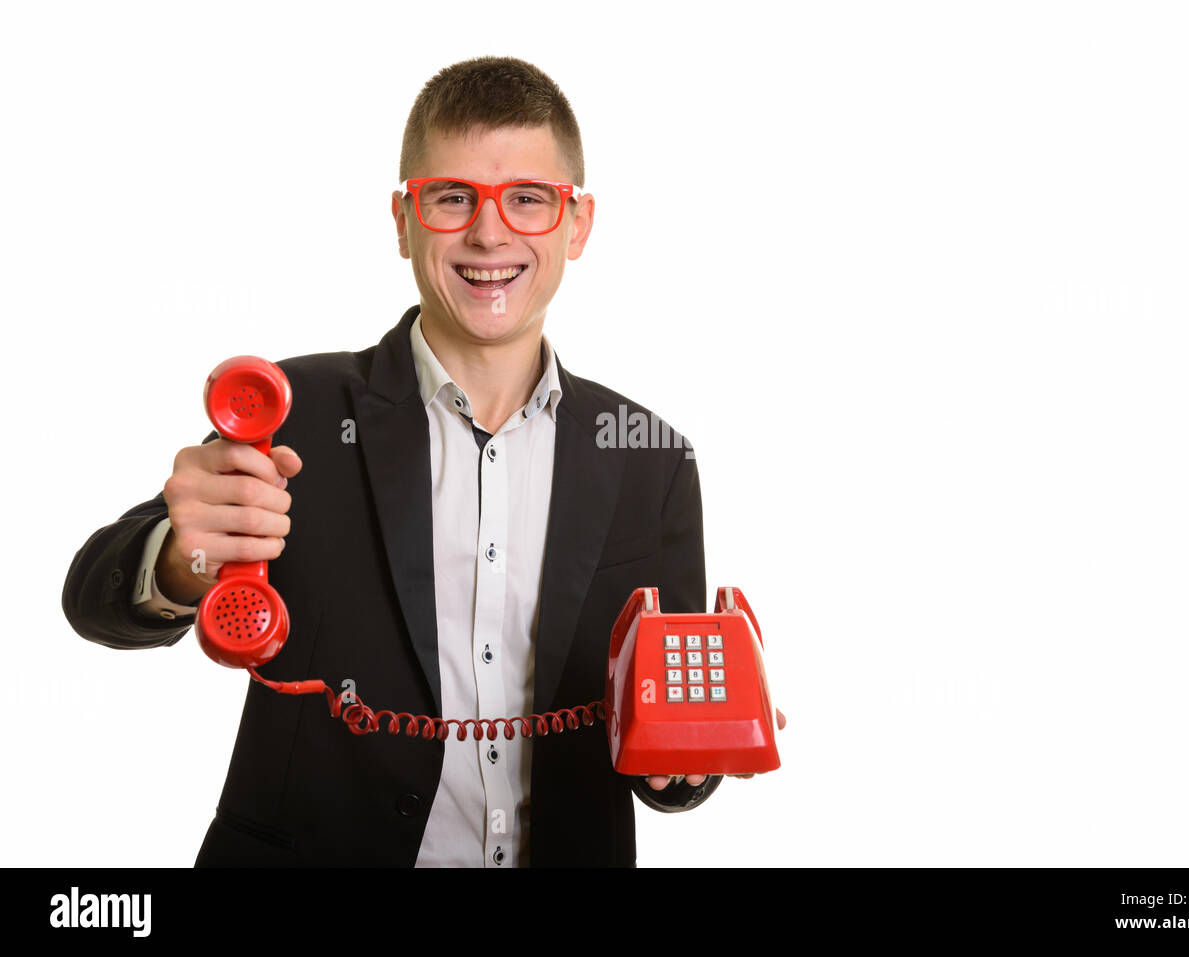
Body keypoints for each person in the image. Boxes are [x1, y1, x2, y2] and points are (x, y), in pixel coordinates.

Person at [62, 56, 780, 867]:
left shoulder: (650, 456)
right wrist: (183, 559)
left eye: (528, 199)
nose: (489, 232)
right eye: (451, 198)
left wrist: (702, 748)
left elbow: (666, 767)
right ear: (404, 220)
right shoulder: (290, 411)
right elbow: (92, 597)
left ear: (576, 225)